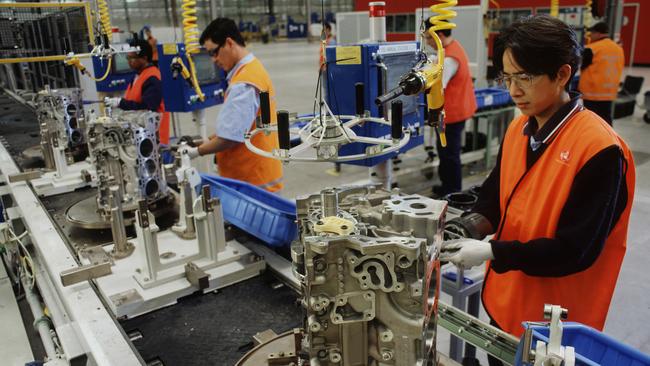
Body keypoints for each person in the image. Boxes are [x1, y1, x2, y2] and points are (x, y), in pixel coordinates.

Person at [440, 15, 635, 366]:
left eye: (525, 78)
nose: (513, 91)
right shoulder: (520, 130)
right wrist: (465, 228)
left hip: (554, 326)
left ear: (562, 74)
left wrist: (492, 253)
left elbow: (575, 251)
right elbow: (495, 196)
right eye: (507, 77)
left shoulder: (600, 150)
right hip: (506, 305)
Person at [184, 18, 283, 192]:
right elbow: (244, 125)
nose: (214, 60)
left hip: (250, 183)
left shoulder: (243, 83)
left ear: (229, 43)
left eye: (214, 52)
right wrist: (209, 140)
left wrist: (196, 152)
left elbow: (229, 138)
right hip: (262, 174)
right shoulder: (254, 69)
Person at [422, 18, 477, 197]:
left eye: (428, 37)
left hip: (453, 113)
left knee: (449, 155)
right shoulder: (451, 48)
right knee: (444, 151)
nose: (426, 41)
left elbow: (438, 85)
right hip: (454, 111)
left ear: (439, 35)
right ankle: (446, 186)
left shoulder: (450, 58)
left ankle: (453, 192)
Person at [104, 39, 170, 145]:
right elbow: (134, 99)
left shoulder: (152, 77)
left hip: (155, 139)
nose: (129, 61)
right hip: (141, 136)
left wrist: (120, 102)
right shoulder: (138, 75)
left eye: (132, 58)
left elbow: (148, 107)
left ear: (144, 58)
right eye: (128, 57)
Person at [578, 21, 624, 125]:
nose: (590, 36)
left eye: (592, 33)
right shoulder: (618, 48)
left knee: (592, 120)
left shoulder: (592, 48)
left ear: (598, 33)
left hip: (592, 92)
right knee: (606, 119)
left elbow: (581, 65)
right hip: (609, 91)